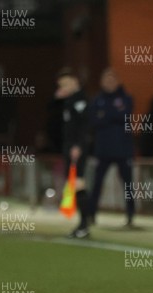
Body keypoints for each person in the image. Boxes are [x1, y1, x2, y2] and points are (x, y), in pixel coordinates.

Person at [87, 68, 135, 227]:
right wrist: (114, 115)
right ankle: (91, 214)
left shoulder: (126, 98)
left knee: (128, 185)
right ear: (102, 82)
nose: (109, 83)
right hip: (103, 150)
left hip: (123, 149)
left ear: (117, 81)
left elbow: (125, 116)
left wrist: (105, 115)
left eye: (112, 79)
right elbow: (93, 121)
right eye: (106, 80)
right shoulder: (96, 100)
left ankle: (130, 216)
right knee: (97, 184)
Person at [55, 69, 91, 238]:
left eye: (66, 84)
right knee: (75, 184)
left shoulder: (80, 100)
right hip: (70, 147)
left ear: (75, 82)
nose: (63, 87)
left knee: (78, 183)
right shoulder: (69, 100)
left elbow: (85, 126)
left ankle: (85, 223)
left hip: (77, 148)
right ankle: (84, 222)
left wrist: (78, 145)